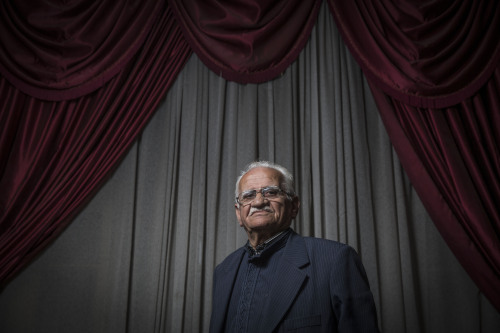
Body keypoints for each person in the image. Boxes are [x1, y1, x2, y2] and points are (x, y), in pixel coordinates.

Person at [209, 161, 380, 333]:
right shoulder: (223, 271)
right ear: (239, 213)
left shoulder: (335, 260)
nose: (259, 201)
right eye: (248, 196)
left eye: (271, 192)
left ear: (294, 206)